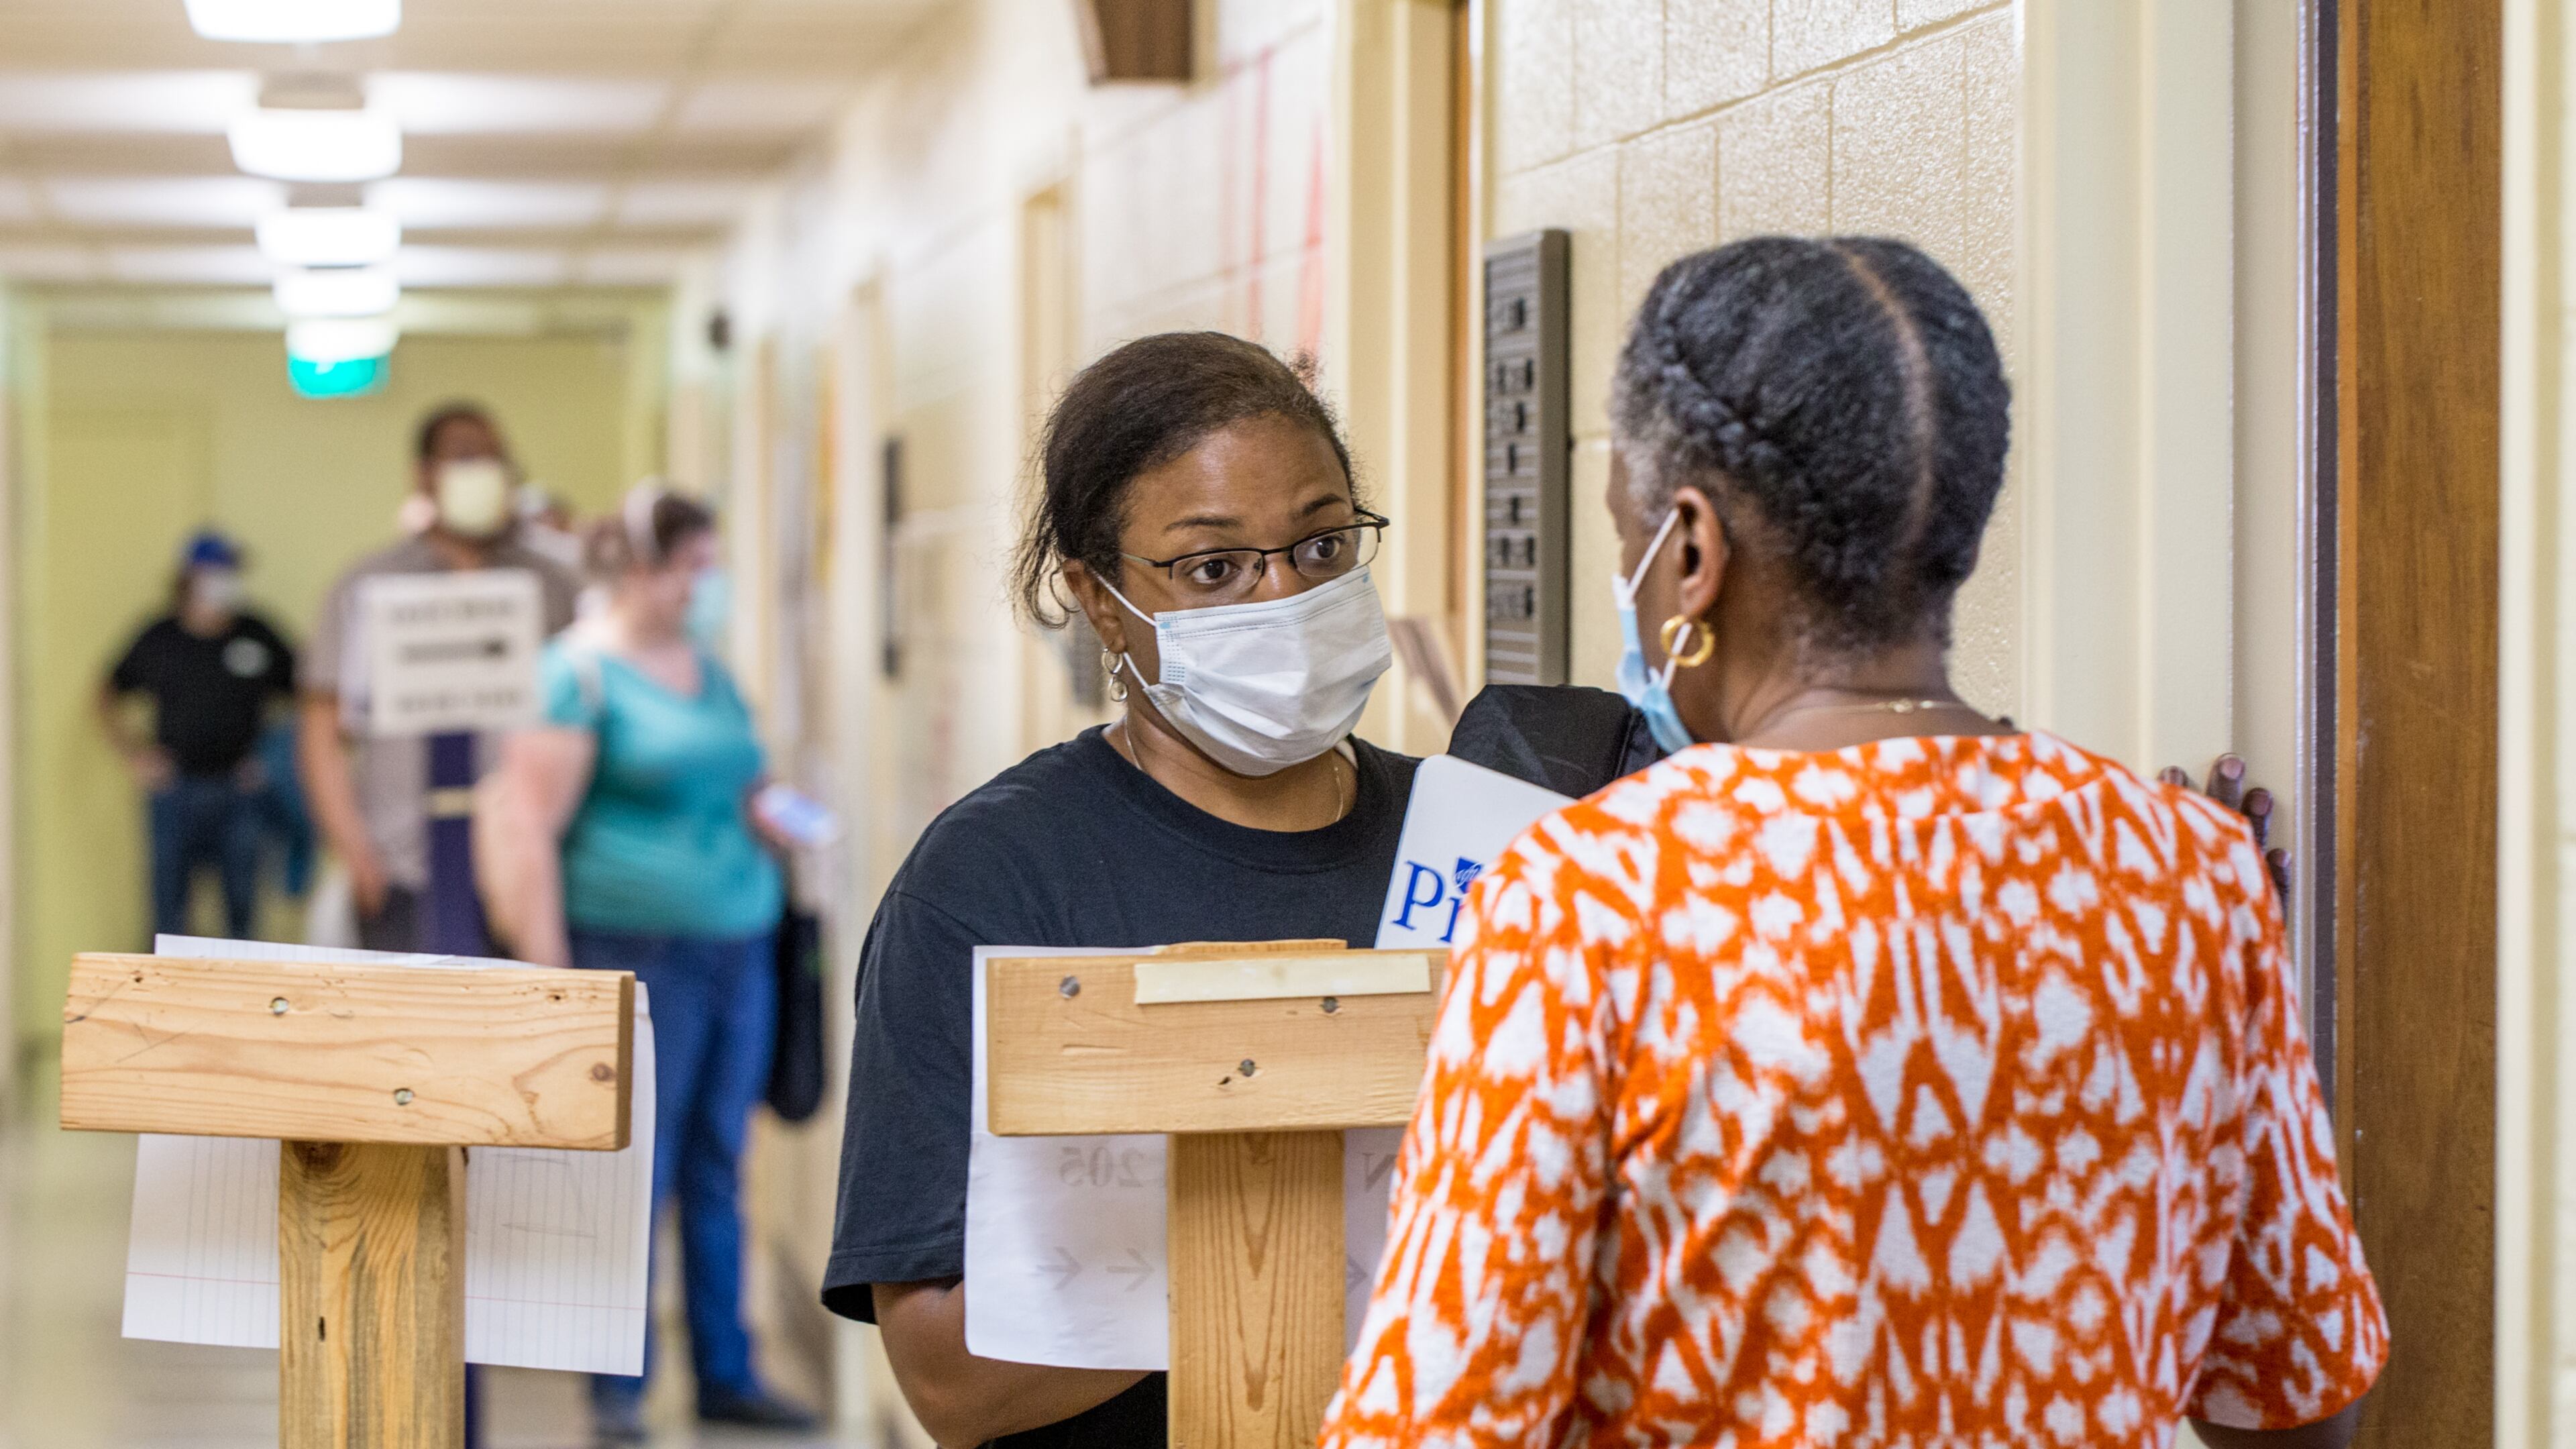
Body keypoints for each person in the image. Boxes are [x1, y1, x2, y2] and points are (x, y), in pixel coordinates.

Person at [1320, 238, 2385, 1449]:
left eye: (1625, 538)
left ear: (1690, 550)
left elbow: (1440, 1425)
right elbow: (2297, 1393)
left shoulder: (1592, 899)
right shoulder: (2187, 873)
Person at [825, 332, 1417, 1448]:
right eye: (1213, 567)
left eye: (1322, 544)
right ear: (1100, 604)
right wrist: (1301, 1246)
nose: (1283, 596)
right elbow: (949, 1381)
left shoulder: (1473, 851)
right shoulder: (995, 881)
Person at [485, 484, 813, 1442]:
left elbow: (743, 781)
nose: (708, 584)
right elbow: (529, 832)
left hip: (738, 946)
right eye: (695, 565)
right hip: (632, 955)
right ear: (641, 568)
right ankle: (617, 1387)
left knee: (720, 1160)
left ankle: (727, 1370)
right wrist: (557, 983)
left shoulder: (705, 669)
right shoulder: (576, 676)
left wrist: (779, 817)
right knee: (636, 1169)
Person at [297, 402, 581, 952]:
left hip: (526, 867)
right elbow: (322, 731)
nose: (484, 471)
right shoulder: (366, 585)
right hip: (401, 866)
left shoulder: (553, 585)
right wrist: (354, 850)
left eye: (495, 458)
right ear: (424, 473)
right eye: (465, 457)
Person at [99, 529, 297, 938]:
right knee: (168, 914)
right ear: (189, 577)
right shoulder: (160, 638)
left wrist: (273, 755)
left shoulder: (256, 633)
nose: (226, 580)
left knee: (241, 913)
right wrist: (137, 755)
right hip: (176, 791)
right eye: (217, 570)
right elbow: (105, 694)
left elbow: (310, 696)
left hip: (240, 792)